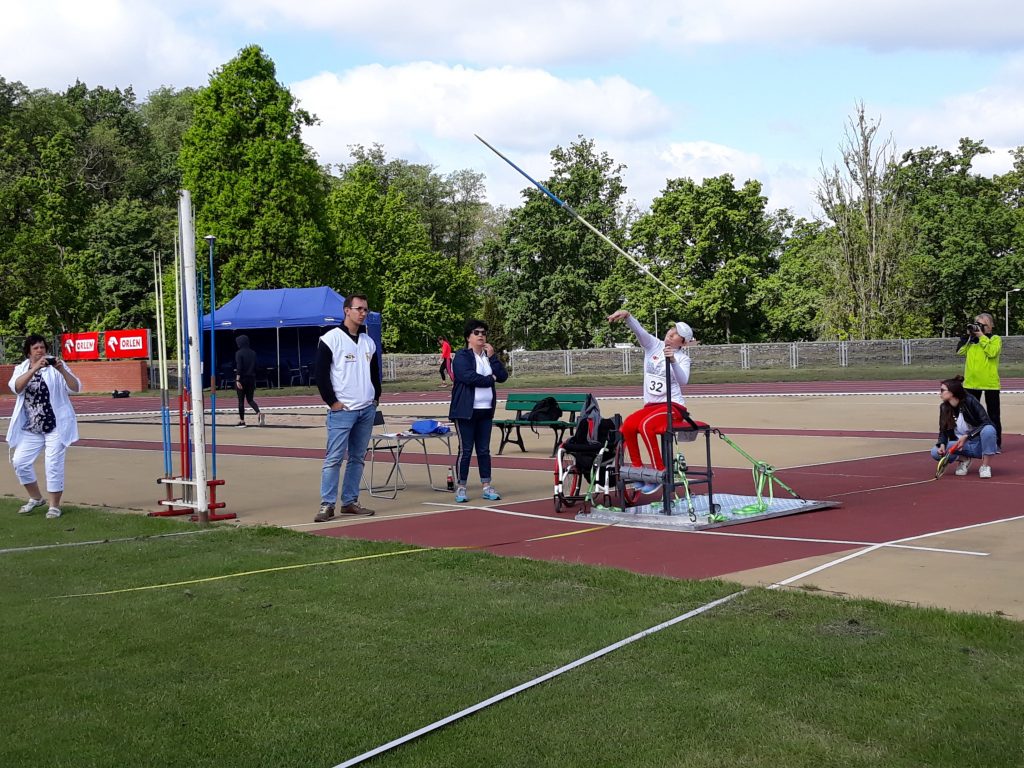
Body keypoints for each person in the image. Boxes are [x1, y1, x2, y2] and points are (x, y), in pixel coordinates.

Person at [607, 309, 696, 493]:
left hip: (674, 406)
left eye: (675, 336)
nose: (670, 336)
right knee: (628, 426)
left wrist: (672, 361)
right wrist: (628, 316)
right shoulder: (653, 345)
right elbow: (640, 331)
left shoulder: (682, 358)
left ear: (683, 343)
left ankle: (659, 472)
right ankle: (638, 470)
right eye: (670, 332)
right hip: (651, 406)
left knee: (646, 426)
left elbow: (683, 380)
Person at [314, 293, 380, 521]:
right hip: (342, 410)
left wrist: (375, 398)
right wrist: (332, 402)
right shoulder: (330, 339)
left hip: (366, 408)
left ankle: (350, 501)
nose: (363, 313)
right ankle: (327, 504)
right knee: (333, 458)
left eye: (366, 310)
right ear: (347, 310)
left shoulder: (368, 342)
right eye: (359, 309)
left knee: (357, 458)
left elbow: (374, 374)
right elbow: (320, 375)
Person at [6, 335, 81, 519]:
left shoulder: (56, 367)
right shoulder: (21, 369)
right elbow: (16, 387)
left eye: (42, 347)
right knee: (20, 462)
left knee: (53, 465)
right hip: (31, 427)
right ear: (28, 352)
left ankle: (54, 506)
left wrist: (62, 370)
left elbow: (76, 388)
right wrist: (33, 370)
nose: (40, 351)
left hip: (55, 426)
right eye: (35, 348)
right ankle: (36, 498)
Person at [448, 319, 509, 503]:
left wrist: (492, 358)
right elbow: (468, 377)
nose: (481, 335)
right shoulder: (462, 356)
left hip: (485, 411)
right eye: (476, 332)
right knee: (466, 450)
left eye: (483, 332)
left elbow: (503, 376)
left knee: (483, 450)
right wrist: (490, 378)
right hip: (466, 411)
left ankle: (486, 485)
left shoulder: (487, 357)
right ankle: (461, 487)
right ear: (468, 337)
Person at [931, 375, 997, 478]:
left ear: (952, 392)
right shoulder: (944, 407)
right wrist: (942, 444)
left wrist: (967, 436)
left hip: (978, 443)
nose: (940, 393)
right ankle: (964, 460)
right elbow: (943, 431)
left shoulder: (970, 401)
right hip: (959, 445)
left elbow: (987, 422)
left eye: (942, 390)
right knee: (935, 452)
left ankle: (985, 466)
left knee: (989, 429)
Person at [957, 312, 1002, 450]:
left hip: (990, 383)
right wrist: (967, 336)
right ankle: (974, 441)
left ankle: (995, 443)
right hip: (971, 383)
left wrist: (982, 337)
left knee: (993, 415)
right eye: (978, 324)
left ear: (991, 326)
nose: (980, 327)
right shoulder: (971, 341)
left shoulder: (995, 339)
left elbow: (992, 352)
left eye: (983, 325)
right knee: (970, 415)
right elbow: (960, 352)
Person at [233, 334, 262, 427]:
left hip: (242, 379)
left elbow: (239, 367)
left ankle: (242, 421)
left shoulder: (238, 353)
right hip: (251, 378)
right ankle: (258, 413)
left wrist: (237, 380)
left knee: (241, 401)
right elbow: (257, 366)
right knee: (250, 399)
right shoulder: (253, 353)